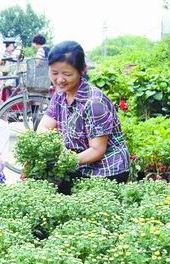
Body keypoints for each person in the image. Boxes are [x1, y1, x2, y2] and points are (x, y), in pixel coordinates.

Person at [39, 41, 130, 194]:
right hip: (77, 164)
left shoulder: (94, 102)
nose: (59, 79)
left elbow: (96, 150)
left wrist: (64, 161)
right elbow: (43, 127)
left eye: (67, 74)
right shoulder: (60, 94)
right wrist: (51, 151)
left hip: (105, 170)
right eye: (54, 73)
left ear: (82, 70)